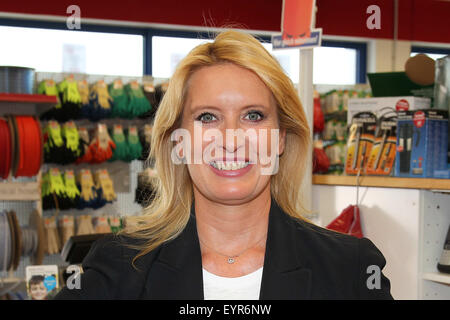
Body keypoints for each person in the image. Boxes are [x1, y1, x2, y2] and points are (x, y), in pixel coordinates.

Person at [55, 30, 392, 300]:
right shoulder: (117, 268)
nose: (231, 139)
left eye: (253, 116)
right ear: (178, 140)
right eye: (207, 117)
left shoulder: (351, 270)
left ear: (280, 139)